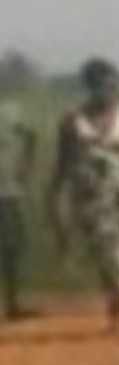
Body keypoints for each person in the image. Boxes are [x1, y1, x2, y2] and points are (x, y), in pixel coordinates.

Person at [48, 58, 119, 338]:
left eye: (115, 85)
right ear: (91, 87)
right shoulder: (72, 123)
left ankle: (118, 302)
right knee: (109, 254)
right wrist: (56, 205)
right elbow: (61, 167)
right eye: (106, 86)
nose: (112, 91)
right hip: (93, 203)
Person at [0, 99, 37, 321]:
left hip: (7, 190)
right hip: (8, 190)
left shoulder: (9, 111)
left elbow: (31, 136)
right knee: (10, 248)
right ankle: (12, 304)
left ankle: (12, 303)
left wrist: (24, 167)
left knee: (12, 248)